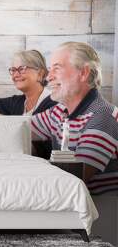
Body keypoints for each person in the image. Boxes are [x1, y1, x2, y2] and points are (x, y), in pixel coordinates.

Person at [31, 42, 117, 195]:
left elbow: (74, 179)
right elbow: (17, 130)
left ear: (83, 73)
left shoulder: (103, 115)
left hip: (99, 210)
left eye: (56, 68)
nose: (48, 77)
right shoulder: (59, 111)